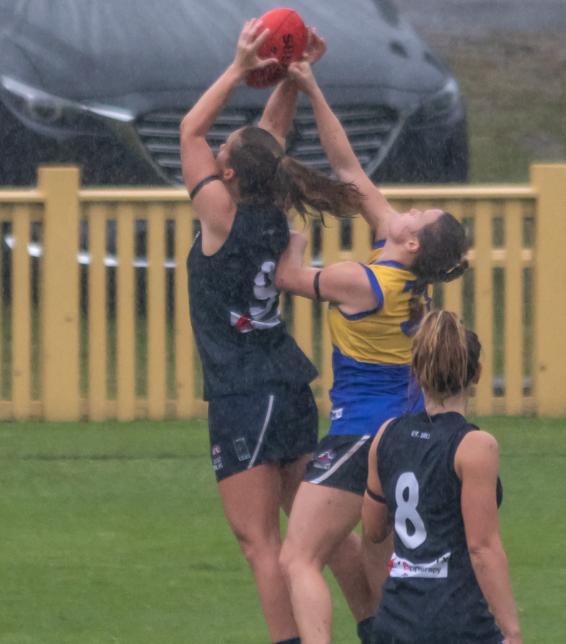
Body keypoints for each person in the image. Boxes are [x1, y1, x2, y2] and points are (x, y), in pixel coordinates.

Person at [179, 21, 371, 644]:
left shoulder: (223, 218)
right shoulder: (268, 206)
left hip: (245, 392)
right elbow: (269, 140)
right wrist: (290, 74)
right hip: (285, 386)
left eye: (225, 152)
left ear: (228, 174)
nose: (217, 151)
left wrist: (239, 68)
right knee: (315, 533)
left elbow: (189, 131)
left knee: (260, 543)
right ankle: (378, 627)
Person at [275, 61, 471, 644]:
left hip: (361, 434)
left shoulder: (361, 281)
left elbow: (286, 277)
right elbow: (348, 170)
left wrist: (291, 235)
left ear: (410, 241)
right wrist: (311, 87)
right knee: (376, 559)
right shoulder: (407, 272)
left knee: (299, 558)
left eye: (416, 215)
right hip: (405, 430)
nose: (406, 208)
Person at [363, 311, 523, 644]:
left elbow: (373, 530)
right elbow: (482, 548)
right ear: (476, 373)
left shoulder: (385, 435)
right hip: (456, 621)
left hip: (394, 620)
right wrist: (511, 630)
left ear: (417, 371)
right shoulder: (475, 447)